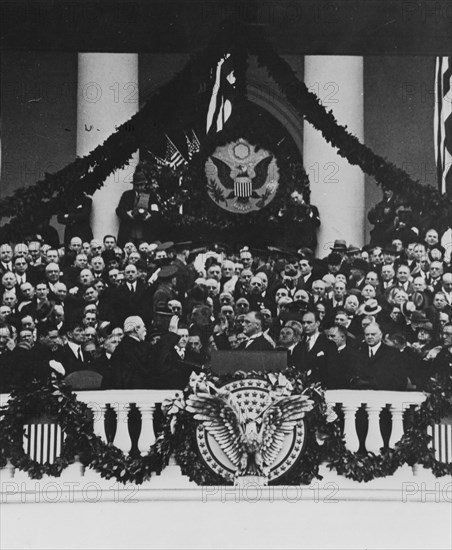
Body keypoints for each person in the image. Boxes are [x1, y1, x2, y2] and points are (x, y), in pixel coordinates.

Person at [354, 322, 407, 390]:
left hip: (385, 394)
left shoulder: (393, 353)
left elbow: (399, 381)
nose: (369, 337)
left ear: (381, 335)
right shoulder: (359, 352)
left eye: (373, 334)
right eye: (367, 334)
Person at [116, 169, 162, 247]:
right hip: (129, 232)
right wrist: (128, 214)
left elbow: (156, 213)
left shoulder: (151, 196)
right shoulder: (127, 195)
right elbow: (119, 210)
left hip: (144, 232)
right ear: (133, 185)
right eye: (137, 185)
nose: (139, 187)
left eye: (141, 185)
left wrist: (149, 217)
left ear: (145, 184)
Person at [110, 315, 154, 388]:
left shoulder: (121, 346)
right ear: (136, 329)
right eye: (144, 326)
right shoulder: (140, 347)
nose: (145, 329)